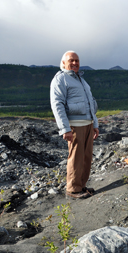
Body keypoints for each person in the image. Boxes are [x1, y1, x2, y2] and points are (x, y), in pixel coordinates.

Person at [50, 51, 99, 199]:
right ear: (63, 63)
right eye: (71, 60)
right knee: (76, 157)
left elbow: (91, 104)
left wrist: (95, 124)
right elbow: (57, 104)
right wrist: (64, 128)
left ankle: (81, 185)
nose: (75, 63)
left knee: (86, 157)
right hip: (74, 125)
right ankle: (73, 189)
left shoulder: (81, 80)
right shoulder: (61, 79)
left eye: (77, 60)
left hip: (88, 124)